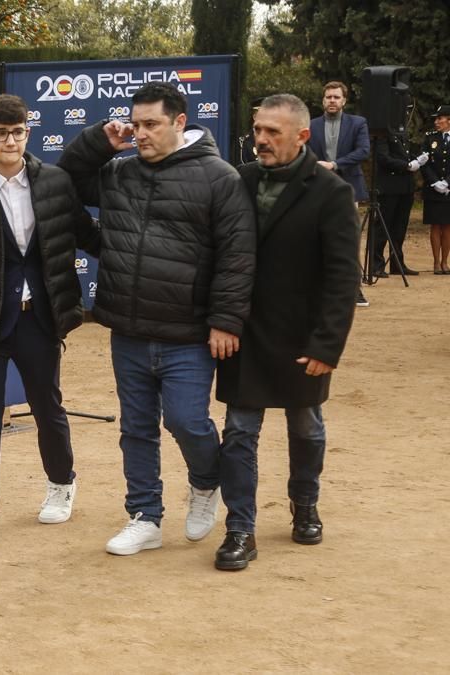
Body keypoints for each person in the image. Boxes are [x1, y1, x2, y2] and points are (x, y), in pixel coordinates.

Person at [57, 83, 256, 557]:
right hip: (127, 327)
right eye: (136, 124)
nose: (141, 133)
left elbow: (237, 256)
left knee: (188, 422)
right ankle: (144, 515)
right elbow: (64, 182)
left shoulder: (219, 178)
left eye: (152, 124)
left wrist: (226, 319)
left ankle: (206, 482)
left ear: (180, 123)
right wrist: (99, 141)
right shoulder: (121, 172)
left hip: (187, 333)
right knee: (136, 427)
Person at [0, 95, 101, 556]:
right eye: (1, 132)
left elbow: (88, 236)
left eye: (19, 131)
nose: (11, 140)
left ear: (28, 133)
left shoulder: (54, 183)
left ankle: (61, 482)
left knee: (47, 406)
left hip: (40, 319)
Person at [214, 94, 360, 570]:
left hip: (302, 337)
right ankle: (240, 528)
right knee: (238, 431)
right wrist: (223, 318)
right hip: (246, 333)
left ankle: (305, 502)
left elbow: (342, 279)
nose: (261, 140)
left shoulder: (331, 191)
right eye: (258, 130)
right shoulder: (239, 180)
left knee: (307, 426)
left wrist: (327, 345)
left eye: (272, 132)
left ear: (302, 136)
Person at [305, 81, 370, 306]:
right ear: (323, 100)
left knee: (349, 239)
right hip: (317, 188)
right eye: (328, 97)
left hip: (348, 189)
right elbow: (301, 151)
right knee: (317, 238)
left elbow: (363, 151)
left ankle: (355, 289)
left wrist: (334, 164)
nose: (332, 101)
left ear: (344, 101)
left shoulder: (358, 123)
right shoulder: (310, 125)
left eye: (336, 97)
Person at [371, 125, 427, 277]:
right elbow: (383, 158)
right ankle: (376, 265)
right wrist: (407, 165)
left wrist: (418, 159)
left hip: (405, 187)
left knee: (399, 228)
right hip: (389, 186)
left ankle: (397, 263)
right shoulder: (383, 132)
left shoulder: (402, 131)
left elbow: (405, 153)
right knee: (382, 227)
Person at [420, 104, 450, 274]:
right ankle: (436, 262)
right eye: (436, 119)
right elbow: (425, 164)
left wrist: (447, 183)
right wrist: (434, 183)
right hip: (433, 190)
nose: (436, 122)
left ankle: (446, 262)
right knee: (435, 226)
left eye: (440, 118)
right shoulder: (430, 138)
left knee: (447, 226)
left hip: (449, 189)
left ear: (449, 120)